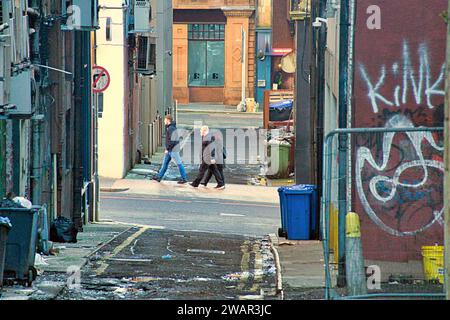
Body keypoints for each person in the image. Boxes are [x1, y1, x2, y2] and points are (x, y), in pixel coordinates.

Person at [152, 114, 188, 184]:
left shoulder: (171, 128)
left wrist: (168, 149)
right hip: (170, 150)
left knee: (179, 164)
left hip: (173, 150)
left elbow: (173, 140)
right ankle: (159, 177)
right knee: (165, 164)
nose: (164, 121)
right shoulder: (170, 127)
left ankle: (184, 178)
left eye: (165, 120)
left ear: (168, 120)